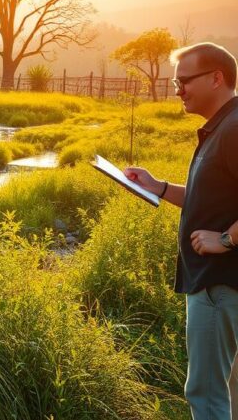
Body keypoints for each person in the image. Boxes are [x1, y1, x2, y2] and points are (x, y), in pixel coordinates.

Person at [125, 42, 238, 419]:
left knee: (206, 394)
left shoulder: (234, 129)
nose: (177, 90)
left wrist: (225, 239)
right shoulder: (222, 127)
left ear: (216, 78)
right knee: (229, 392)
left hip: (221, 285)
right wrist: (157, 187)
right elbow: (210, 199)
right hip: (217, 284)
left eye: (184, 81)